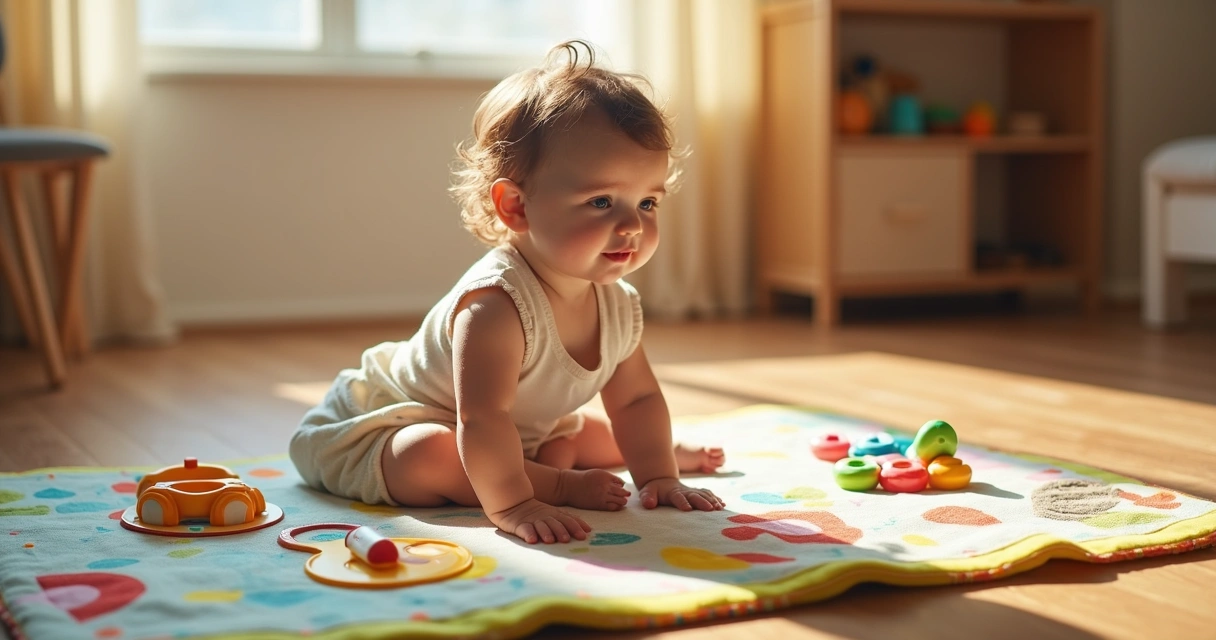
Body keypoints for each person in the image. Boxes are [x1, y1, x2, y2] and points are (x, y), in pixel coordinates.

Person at [289, 40, 725, 546]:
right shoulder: (496, 305)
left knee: (576, 430)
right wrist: (520, 503)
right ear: (516, 206)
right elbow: (481, 420)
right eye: (602, 201)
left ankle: (657, 454)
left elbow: (637, 400)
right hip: (384, 429)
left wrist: (657, 475)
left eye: (647, 202)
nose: (631, 225)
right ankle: (552, 481)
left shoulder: (618, 305)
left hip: (516, 437)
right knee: (430, 452)